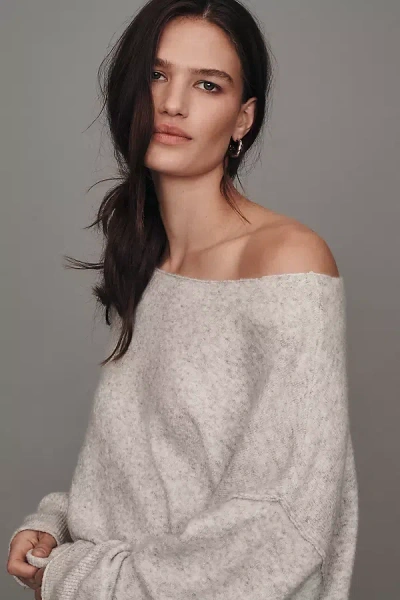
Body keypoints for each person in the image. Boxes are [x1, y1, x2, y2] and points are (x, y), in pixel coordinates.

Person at [6, 0, 358, 598]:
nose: (172, 103)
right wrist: (59, 523)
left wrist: (72, 577)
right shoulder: (149, 259)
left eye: (208, 84)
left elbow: (277, 532)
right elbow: (158, 473)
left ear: (243, 119)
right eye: (157, 74)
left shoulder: (287, 262)